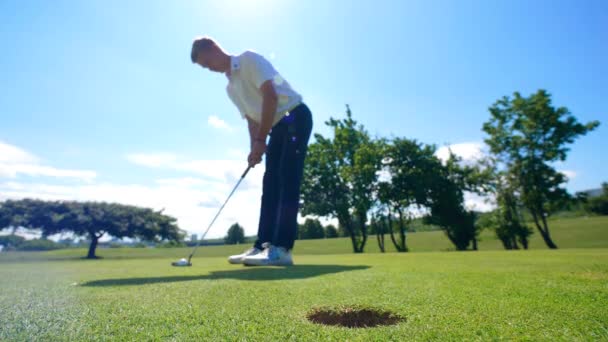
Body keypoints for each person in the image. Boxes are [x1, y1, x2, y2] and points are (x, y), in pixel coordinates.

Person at [191, 37, 313, 266]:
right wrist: (254, 148)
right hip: (276, 126)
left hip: (295, 115)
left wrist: (260, 140)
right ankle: (262, 246)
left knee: (288, 178)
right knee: (270, 184)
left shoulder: (248, 59)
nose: (209, 69)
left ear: (214, 49)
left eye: (208, 63)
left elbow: (271, 96)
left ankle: (282, 249)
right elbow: (251, 120)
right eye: (205, 67)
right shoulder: (230, 88)